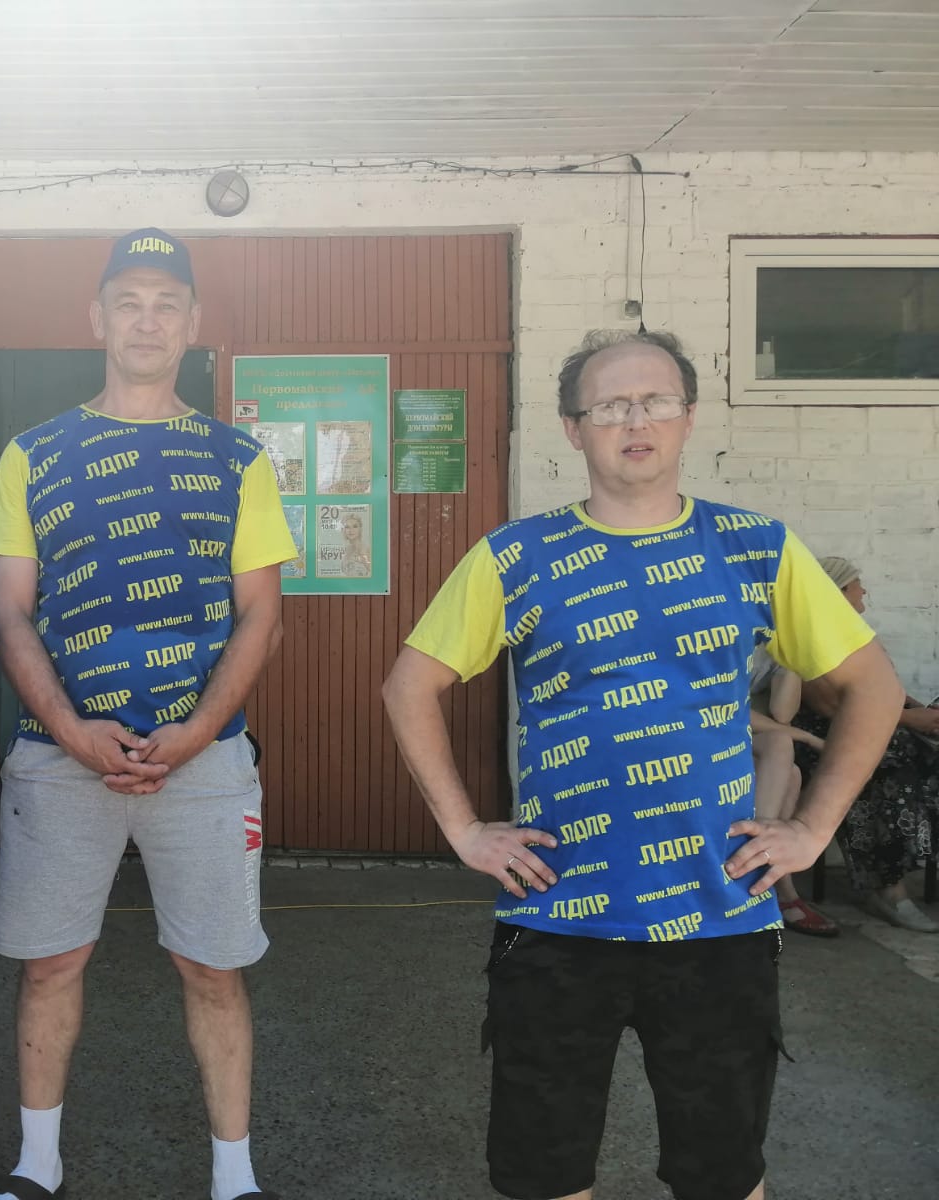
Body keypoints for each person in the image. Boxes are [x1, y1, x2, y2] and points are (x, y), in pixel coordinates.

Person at [381, 328, 904, 1200]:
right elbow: (409, 686)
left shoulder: (755, 548)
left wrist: (813, 830)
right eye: (611, 405)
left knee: (722, 1175)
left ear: (689, 418)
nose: (636, 420)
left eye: (657, 400)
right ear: (572, 428)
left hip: (720, 918)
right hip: (559, 914)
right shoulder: (517, 555)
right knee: (545, 1175)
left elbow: (873, 688)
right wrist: (464, 830)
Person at [0, 228, 296, 1200]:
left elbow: (262, 617)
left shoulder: (238, 459)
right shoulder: (34, 455)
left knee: (213, 969)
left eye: (165, 303)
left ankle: (235, 1179)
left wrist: (195, 734)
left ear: (193, 324)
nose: (146, 321)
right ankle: (36, 1169)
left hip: (206, 759)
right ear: (96, 319)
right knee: (50, 964)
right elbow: (8, 608)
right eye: (128, 301)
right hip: (58, 756)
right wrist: (70, 729)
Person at [790, 556, 939, 933]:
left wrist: (920, 713)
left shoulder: (856, 636)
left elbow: (885, 689)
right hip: (828, 736)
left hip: (884, 724)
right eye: (857, 585)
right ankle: (889, 891)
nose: (864, 591)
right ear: (839, 592)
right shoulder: (806, 637)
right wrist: (909, 720)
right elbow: (832, 708)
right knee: (883, 771)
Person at [747, 649, 837, 935]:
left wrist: (790, 657)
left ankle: (770, 877)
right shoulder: (729, 632)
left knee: (792, 773)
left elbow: (783, 714)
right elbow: (731, 711)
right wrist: (807, 738)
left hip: (738, 740)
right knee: (780, 744)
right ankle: (767, 876)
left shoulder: (773, 647)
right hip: (694, 729)